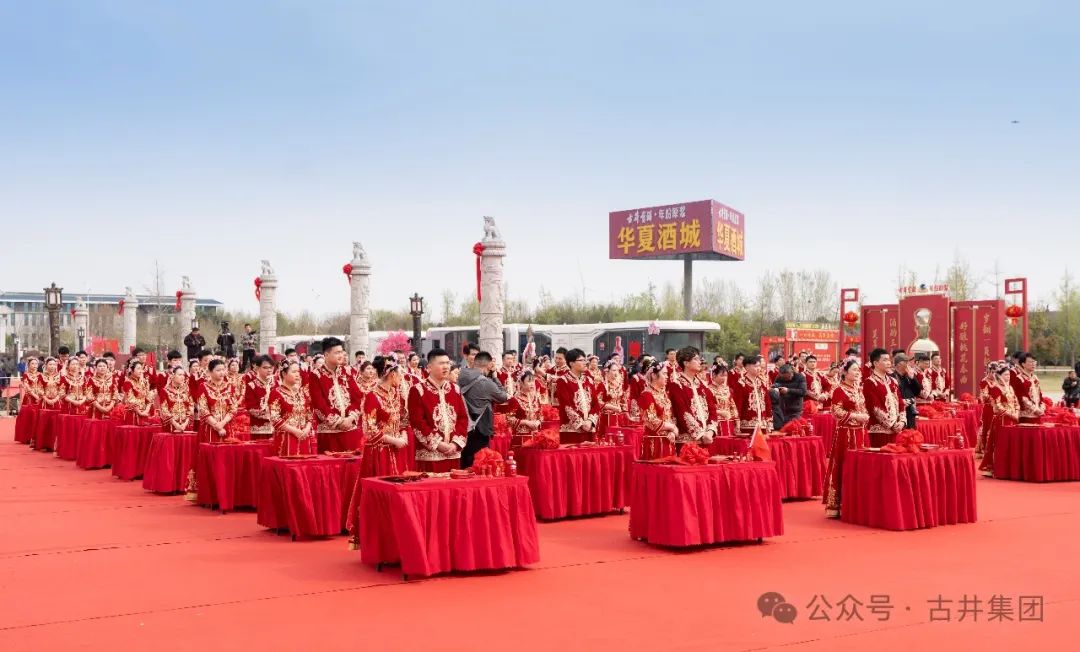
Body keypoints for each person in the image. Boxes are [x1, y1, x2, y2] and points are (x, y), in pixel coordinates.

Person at [409, 348, 470, 472]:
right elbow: (417, 422)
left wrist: (455, 443)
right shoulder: (418, 390)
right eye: (441, 363)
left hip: (453, 453)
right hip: (430, 455)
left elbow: (463, 418)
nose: (446, 366)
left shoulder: (455, 389)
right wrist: (438, 444)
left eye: (447, 363)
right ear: (429, 367)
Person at [823, 360, 870, 518]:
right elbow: (836, 411)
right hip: (846, 434)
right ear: (845, 372)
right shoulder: (839, 389)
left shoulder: (858, 389)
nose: (857, 373)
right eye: (854, 370)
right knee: (844, 465)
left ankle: (857, 502)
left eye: (858, 370)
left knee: (861, 466)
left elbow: (863, 407)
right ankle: (840, 504)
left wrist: (865, 416)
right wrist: (856, 416)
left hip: (860, 433)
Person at [309, 337, 364, 452]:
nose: (341, 355)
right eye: (337, 352)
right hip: (329, 433)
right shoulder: (316, 375)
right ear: (326, 354)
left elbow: (357, 398)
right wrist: (338, 422)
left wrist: (350, 418)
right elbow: (318, 404)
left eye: (342, 352)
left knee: (352, 461)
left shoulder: (348, 372)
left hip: (350, 430)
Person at [457, 351, 510, 469]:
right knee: (479, 465)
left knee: (463, 464)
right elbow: (503, 397)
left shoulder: (459, 376)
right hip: (480, 429)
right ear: (490, 365)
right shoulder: (486, 383)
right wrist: (495, 376)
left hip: (461, 428)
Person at [360, 356, 411, 475]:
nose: (402, 378)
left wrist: (403, 436)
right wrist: (394, 440)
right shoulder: (372, 396)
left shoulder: (396, 394)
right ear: (392, 374)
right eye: (400, 375)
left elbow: (402, 418)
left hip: (397, 447)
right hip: (380, 452)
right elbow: (370, 430)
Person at [667, 346, 717, 447]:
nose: (700, 362)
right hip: (687, 443)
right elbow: (683, 413)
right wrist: (701, 435)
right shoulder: (676, 385)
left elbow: (712, 409)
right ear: (686, 363)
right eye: (696, 359)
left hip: (707, 439)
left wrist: (710, 431)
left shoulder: (703, 385)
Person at [267, 361, 317, 457]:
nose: (297, 374)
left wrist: (307, 428)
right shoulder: (276, 393)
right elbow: (275, 418)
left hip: (304, 437)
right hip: (286, 438)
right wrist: (294, 431)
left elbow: (310, 414)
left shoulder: (302, 393)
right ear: (284, 374)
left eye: (298, 371)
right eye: (294, 372)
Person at [979, 363, 1020, 477]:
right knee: (1000, 444)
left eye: (1009, 375)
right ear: (1000, 376)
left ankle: (1010, 467)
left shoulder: (1010, 388)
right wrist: (1011, 414)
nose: (1008, 377)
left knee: (1011, 444)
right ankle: (998, 467)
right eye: (1006, 375)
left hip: (1013, 419)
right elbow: (997, 406)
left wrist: (1017, 412)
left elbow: (1016, 402)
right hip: (1002, 419)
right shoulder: (996, 388)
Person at [555, 348, 600, 444]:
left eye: (585, 360)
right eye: (581, 360)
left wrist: (590, 421)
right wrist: (581, 423)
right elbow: (566, 406)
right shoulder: (563, 381)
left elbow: (596, 404)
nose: (585, 363)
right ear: (571, 363)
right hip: (571, 431)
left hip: (589, 429)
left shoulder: (589, 380)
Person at [863, 348, 905, 447]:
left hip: (897, 430)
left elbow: (900, 402)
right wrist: (892, 424)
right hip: (879, 432)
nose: (889, 363)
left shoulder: (893, 381)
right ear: (875, 363)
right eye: (885, 360)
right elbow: (875, 408)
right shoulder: (870, 382)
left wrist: (902, 421)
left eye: (889, 360)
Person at [196, 359, 240, 443]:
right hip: (209, 427)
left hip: (227, 426)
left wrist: (222, 423)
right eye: (218, 370)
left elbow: (233, 408)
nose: (222, 372)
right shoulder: (203, 387)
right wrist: (217, 426)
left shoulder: (230, 387)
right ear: (210, 372)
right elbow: (203, 409)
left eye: (223, 369)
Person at [638, 366, 677, 459]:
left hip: (669, 439)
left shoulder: (664, 394)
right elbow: (651, 421)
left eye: (667, 374)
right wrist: (672, 427)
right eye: (664, 373)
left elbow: (671, 416)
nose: (667, 376)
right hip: (655, 442)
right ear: (654, 375)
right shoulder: (647, 395)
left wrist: (673, 432)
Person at [505, 368, 544, 447]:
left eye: (533, 381)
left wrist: (538, 422)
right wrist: (526, 422)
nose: (532, 384)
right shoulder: (515, 400)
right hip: (521, 438)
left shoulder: (536, 398)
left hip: (536, 435)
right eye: (529, 381)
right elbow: (509, 419)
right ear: (521, 383)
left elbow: (541, 415)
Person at [734, 355, 772, 432]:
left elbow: (767, 403)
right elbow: (738, 405)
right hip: (747, 427)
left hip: (763, 425)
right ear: (747, 367)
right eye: (755, 366)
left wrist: (769, 421)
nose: (759, 368)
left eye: (759, 366)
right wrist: (737, 423)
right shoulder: (741, 383)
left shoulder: (762, 383)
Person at [245, 355, 277, 439]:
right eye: (265, 367)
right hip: (260, 427)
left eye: (271, 367)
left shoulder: (278, 383)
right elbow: (251, 408)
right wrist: (271, 414)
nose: (269, 370)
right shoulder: (251, 386)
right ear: (257, 368)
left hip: (278, 426)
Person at [769, 364, 806, 430]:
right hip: (782, 408)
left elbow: (803, 392)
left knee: (794, 429)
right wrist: (775, 389)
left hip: (795, 409)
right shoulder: (779, 377)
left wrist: (788, 390)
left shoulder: (800, 377)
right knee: (782, 429)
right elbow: (774, 387)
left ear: (792, 372)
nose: (787, 379)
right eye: (784, 378)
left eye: (789, 376)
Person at [1010, 352, 1044, 423]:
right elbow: (1022, 398)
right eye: (1030, 362)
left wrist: (1042, 407)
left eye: (1034, 361)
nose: (1033, 364)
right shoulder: (1019, 378)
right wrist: (1035, 409)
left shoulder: (1035, 378)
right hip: (1026, 416)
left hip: (1038, 414)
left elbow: (1040, 395)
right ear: (1023, 364)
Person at [159, 367, 195, 433]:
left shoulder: (187, 390)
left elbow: (191, 407)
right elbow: (164, 410)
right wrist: (176, 425)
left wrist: (185, 424)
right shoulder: (165, 391)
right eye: (180, 375)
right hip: (171, 427)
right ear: (173, 375)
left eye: (183, 375)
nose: (182, 377)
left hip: (186, 426)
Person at [707, 363, 739, 437]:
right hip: (716, 422)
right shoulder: (708, 389)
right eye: (721, 375)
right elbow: (707, 408)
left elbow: (733, 406)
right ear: (714, 375)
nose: (724, 378)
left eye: (725, 375)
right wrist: (720, 412)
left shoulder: (727, 390)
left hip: (729, 421)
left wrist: (737, 423)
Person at [891, 353, 921, 429]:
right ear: (899, 364)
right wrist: (901, 401)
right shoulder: (891, 377)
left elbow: (917, 392)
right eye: (906, 362)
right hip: (899, 412)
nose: (908, 364)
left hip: (910, 411)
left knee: (911, 432)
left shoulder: (909, 376)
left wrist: (913, 378)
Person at [123, 360, 155, 425]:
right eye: (138, 369)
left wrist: (146, 411)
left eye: (141, 369)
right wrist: (140, 413)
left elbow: (148, 397)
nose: (141, 371)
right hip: (133, 414)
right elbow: (131, 399)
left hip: (145, 412)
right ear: (131, 370)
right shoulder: (128, 383)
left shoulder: (144, 382)